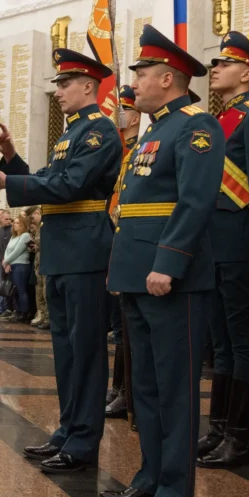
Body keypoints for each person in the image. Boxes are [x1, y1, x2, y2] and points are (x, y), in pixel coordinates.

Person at [100, 25, 223, 497]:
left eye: (142, 75)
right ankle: (150, 476)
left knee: (175, 390)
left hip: (170, 279)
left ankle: (175, 493)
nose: (134, 86)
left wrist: (167, 265)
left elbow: (195, 203)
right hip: (137, 275)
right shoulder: (155, 129)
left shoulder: (197, 126)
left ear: (168, 78)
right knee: (145, 389)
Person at [0, 47, 121, 474]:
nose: (57, 91)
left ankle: (83, 441)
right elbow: (46, 179)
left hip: (85, 249)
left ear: (89, 87)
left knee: (86, 350)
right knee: (66, 350)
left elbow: (69, 185)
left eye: (64, 83)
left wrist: (10, 180)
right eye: (57, 83)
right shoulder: (69, 134)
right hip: (63, 250)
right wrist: (11, 159)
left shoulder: (99, 132)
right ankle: (67, 430)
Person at [196, 31, 249, 470]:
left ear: (247, 73)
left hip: (243, 243)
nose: (215, 70)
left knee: (245, 342)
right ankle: (218, 429)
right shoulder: (218, 120)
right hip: (214, 244)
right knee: (221, 345)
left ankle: (241, 439)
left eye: (224, 64)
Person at [106, 86, 141, 419]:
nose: (118, 116)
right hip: (115, 240)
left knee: (125, 326)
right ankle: (118, 388)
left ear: (134, 116)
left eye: (123, 111)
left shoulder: (136, 149)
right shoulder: (119, 151)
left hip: (127, 240)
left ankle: (125, 391)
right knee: (119, 325)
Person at [1, 214, 33, 322]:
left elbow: (17, 251)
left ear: (23, 225)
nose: (15, 224)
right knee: (13, 291)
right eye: (14, 223)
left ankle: (24, 312)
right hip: (12, 265)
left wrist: (6, 261)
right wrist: (7, 263)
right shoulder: (13, 236)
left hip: (21, 266)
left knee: (21, 290)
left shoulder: (25, 236)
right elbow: (7, 250)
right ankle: (17, 311)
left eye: (18, 223)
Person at [28, 207, 49, 329]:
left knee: (46, 292)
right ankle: (43, 316)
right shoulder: (38, 228)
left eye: (36, 214)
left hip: (45, 262)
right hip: (38, 263)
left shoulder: (45, 226)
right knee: (39, 292)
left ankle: (48, 318)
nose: (33, 217)